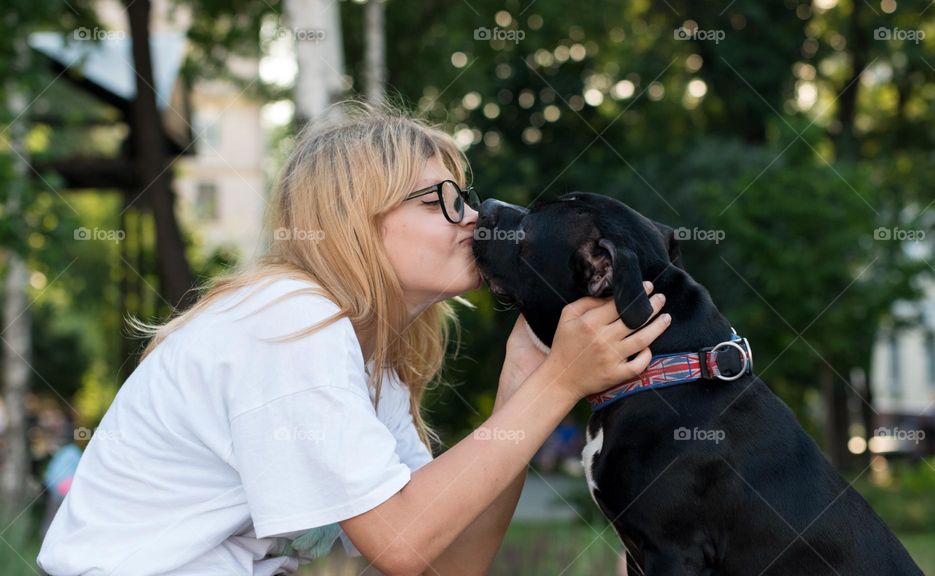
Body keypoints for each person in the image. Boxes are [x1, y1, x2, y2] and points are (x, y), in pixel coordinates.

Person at [37, 103, 670, 576]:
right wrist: (560, 383)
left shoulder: (371, 366)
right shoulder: (288, 322)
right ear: (353, 223)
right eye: (440, 201)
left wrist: (521, 384)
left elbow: (444, 565)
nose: (473, 218)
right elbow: (400, 543)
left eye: (466, 197)